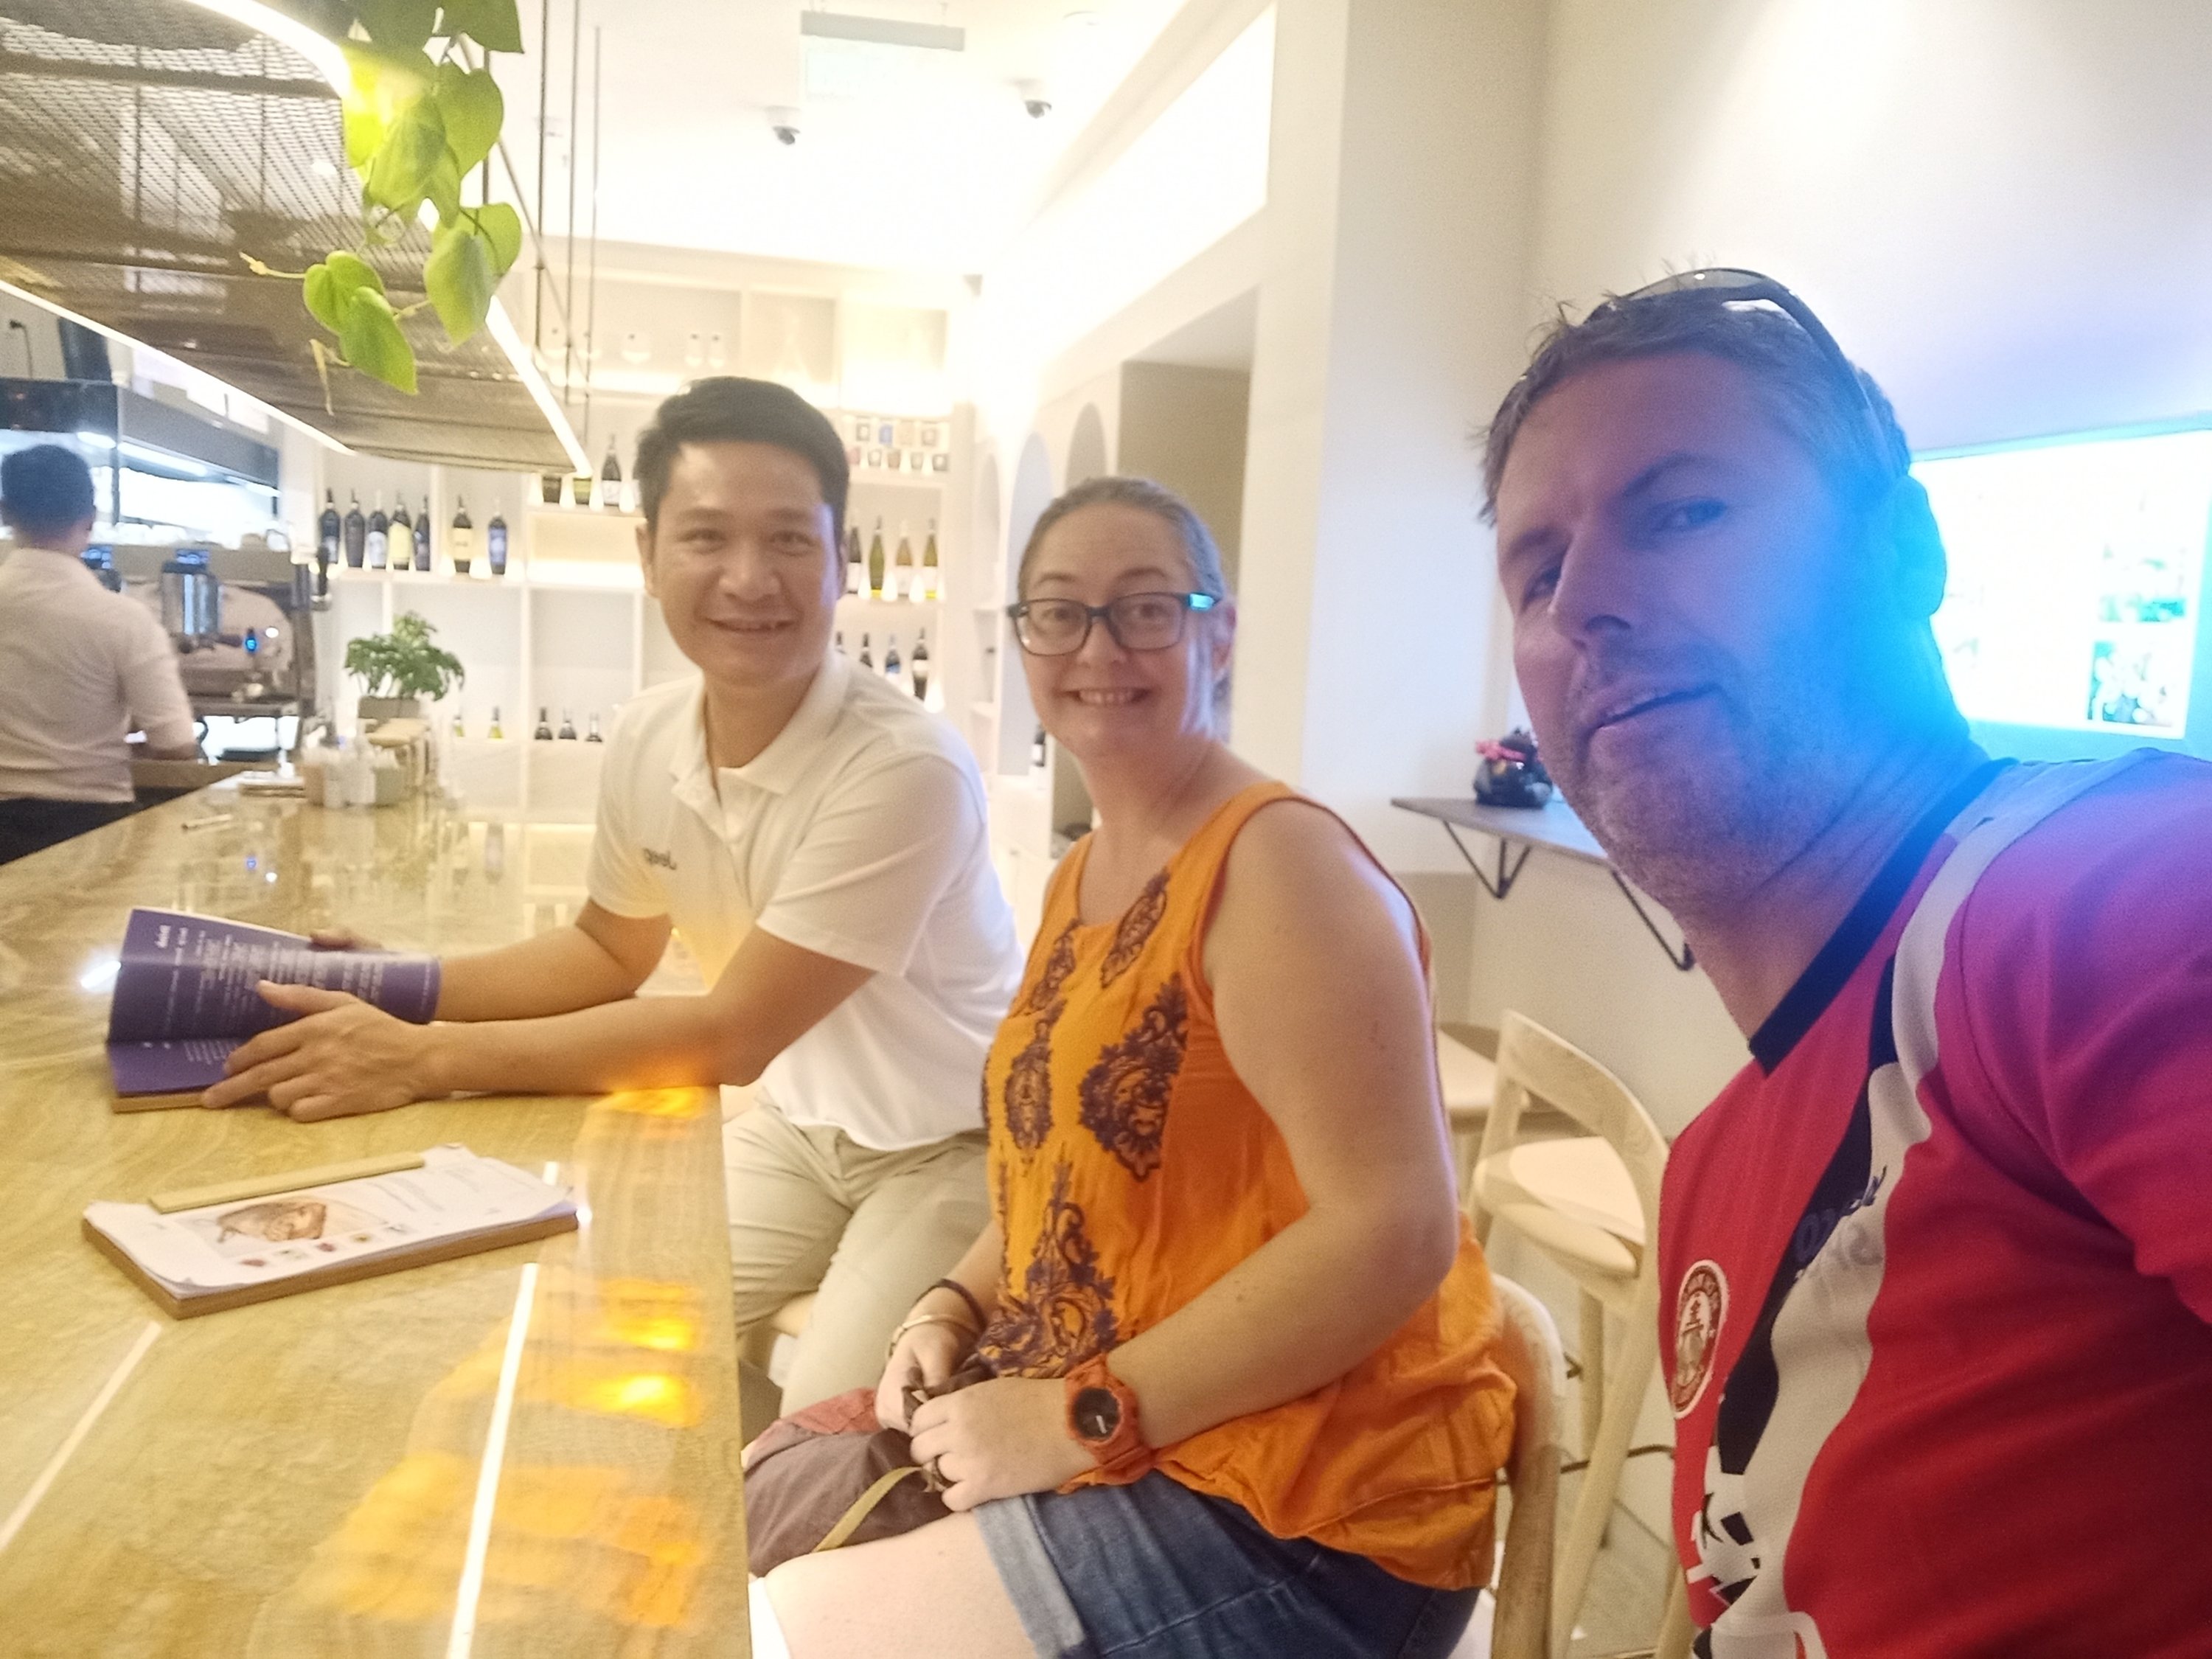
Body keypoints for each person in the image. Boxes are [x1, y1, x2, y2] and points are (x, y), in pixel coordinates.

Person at [1484, 269, 2212, 1654]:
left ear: (1904, 552)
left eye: (1682, 512)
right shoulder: (1710, 1170)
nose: (1583, 603)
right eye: (1538, 571)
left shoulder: (2110, 896)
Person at [755, 478, 1514, 1659]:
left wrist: (1078, 1416)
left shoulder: (1282, 869)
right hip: (1151, 1426)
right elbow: (1062, 1170)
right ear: (1024, 640)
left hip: (1309, 1508)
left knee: (773, 1629)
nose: (1098, 648)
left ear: (1219, 633)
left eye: (1146, 607)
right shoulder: (1086, 874)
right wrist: (951, 1303)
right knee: (755, 1507)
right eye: (1060, 611)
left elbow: (1398, 1229)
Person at [204, 378, 1023, 1411]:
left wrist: (423, 1056)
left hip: (958, 1143)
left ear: (840, 560)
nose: (748, 578)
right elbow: (604, 950)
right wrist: (400, 986)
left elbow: (731, 1035)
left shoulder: (904, 769)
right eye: (706, 536)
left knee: (832, 1421)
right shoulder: (649, 734)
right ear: (647, 554)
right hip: (802, 1122)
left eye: (788, 540)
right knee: (587, 1335)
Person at [0, 443, 200, 863]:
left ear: (6, 514)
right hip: (91, 829)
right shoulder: (123, 619)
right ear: (90, 519)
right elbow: (177, 744)